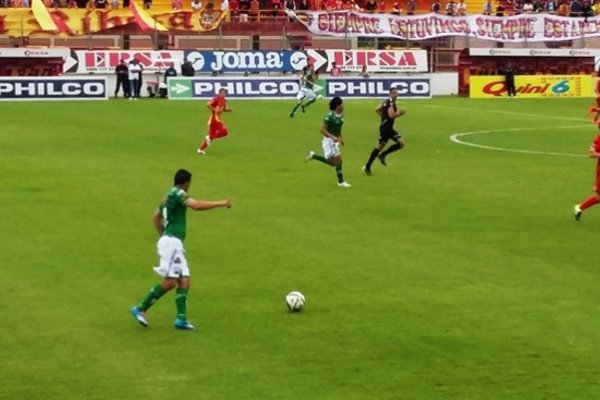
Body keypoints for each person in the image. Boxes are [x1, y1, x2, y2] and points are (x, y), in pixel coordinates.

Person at [130, 169, 232, 330]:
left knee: (184, 280)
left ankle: (181, 319)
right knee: (170, 282)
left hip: (171, 242)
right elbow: (196, 206)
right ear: (187, 183)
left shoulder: (166, 196)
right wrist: (220, 203)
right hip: (172, 243)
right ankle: (140, 308)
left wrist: (163, 234)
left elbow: (156, 216)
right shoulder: (179, 194)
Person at [305, 97, 351, 188]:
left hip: (335, 141)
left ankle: (314, 156)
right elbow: (322, 129)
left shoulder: (342, 116)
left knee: (333, 163)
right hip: (329, 141)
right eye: (342, 104)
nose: (343, 105)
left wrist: (341, 138)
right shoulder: (329, 116)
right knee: (339, 160)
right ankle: (341, 182)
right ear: (338, 106)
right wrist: (332, 137)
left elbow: (338, 128)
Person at [362, 87, 406, 176]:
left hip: (386, 127)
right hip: (386, 129)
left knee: (382, 146)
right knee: (400, 144)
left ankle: (372, 162)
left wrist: (383, 117)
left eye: (396, 93)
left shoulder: (387, 101)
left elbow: (377, 109)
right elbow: (391, 115)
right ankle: (374, 161)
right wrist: (400, 113)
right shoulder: (390, 103)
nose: (396, 95)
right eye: (394, 93)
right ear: (390, 94)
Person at [574, 127, 600, 220]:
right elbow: (591, 154)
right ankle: (580, 207)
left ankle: (579, 208)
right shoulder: (598, 140)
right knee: (598, 198)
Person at [197, 88, 232, 155]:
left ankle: (200, 149)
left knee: (211, 137)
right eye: (222, 93)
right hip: (215, 118)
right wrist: (214, 109)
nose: (223, 94)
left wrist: (228, 110)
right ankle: (210, 137)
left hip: (216, 118)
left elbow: (223, 109)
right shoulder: (216, 99)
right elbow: (208, 104)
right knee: (225, 132)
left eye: (224, 93)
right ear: (219, 93)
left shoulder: (224, 100)